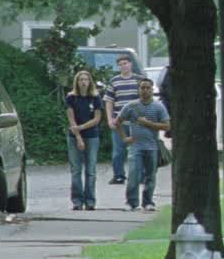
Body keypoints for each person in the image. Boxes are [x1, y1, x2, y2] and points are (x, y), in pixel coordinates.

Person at [115, 77, 170, 211]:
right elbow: (118, 121)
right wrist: (124, 137)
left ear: (152, 90)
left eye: (148, 88)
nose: (145, 90)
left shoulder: (158, 107)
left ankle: (148, 202)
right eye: (142, 88)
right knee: (133, 174)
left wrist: (148, 123)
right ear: (138, 90)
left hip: (152, 147)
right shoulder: (131, 106)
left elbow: (167, 126)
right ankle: (131, 202)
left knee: (150, 175)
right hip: (135, 146)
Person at [65, 69, 104, 210]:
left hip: (92, 135)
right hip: (74, 136)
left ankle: (90, 201)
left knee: (91, 170)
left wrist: (81, 127)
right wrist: (78, 137)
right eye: (81, 79)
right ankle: (77, 201)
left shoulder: (95, 97)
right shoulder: (71, 97)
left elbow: (97, 118)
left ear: (90, 82)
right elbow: (71, 118)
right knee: (76, 170)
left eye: (86, 80)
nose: (83, 82)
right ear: (77, 81)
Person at [103, 54, 141, 185]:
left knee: (138, 150)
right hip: (119, 122)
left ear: (130, 64)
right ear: (118, 66)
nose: (124, 66)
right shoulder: (114, 81)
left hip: (137, 122)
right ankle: (119, 175)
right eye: (121, 64)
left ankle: (139, 176)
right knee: (118, 151)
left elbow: (146, 100)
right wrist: (109, 119)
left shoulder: (139, 80)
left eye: (126, 63)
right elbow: (109, 101)